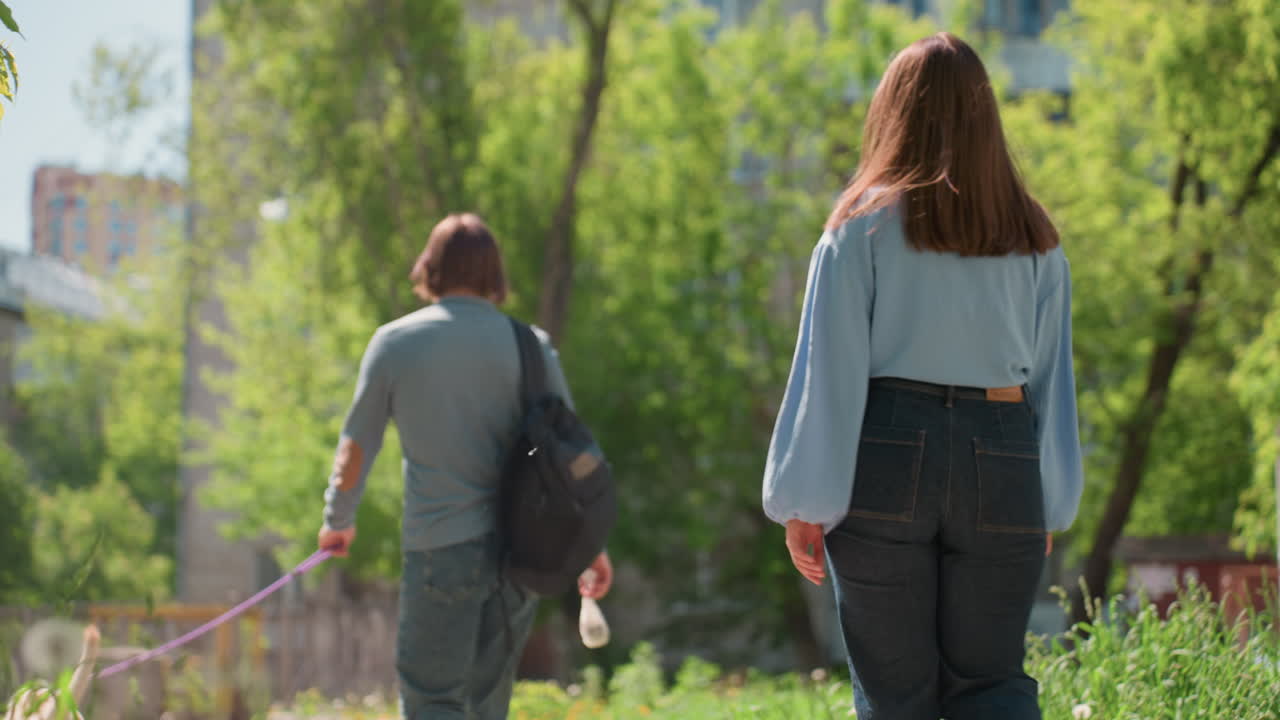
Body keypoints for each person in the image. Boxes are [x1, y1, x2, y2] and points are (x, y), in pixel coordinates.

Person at [762, 32, 1083, 720]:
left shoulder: (859, 229)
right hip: (1002, 454)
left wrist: (805, 502)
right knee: (993, 682)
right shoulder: (1034, 237)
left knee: (894, 694)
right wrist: (1048, 500)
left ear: (893, 112)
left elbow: (831, 373)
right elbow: (1053, 383)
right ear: (986, 117)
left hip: (887, 450)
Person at [317, 213, 614, 720]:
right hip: (519, 557)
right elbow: (572, 460)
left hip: (439, 548)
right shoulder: (533, 346)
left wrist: (337, 521)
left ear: (429, 267)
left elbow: (356, 446)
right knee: (485, 707)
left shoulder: (395, 343)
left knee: (434, 701)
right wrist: (592, 548)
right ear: (495, 273)